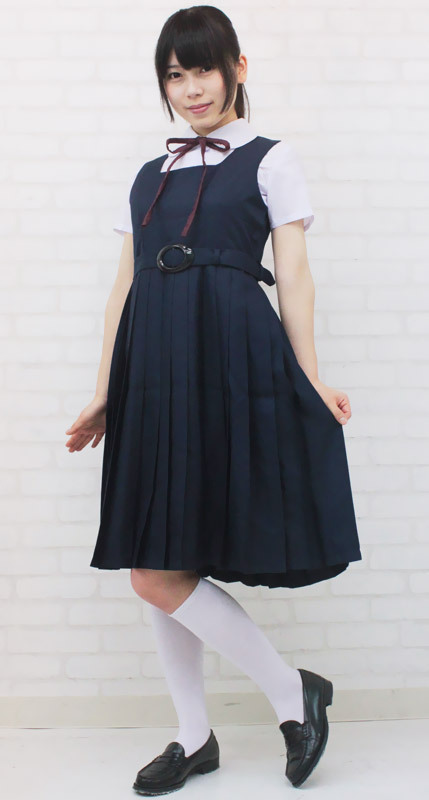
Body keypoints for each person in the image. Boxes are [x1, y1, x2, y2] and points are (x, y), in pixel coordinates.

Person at [65, 5, 362, 795]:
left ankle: (290, 697)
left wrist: (308, 376)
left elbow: (293, 275)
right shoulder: (147, 175)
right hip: (153, 368)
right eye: (175, 73)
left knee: (163, 564)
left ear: (237, 67)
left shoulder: (270, 158)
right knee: (158, 556)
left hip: (229, 358)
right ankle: (196, 736)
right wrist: (104, 391)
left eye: (202, 69)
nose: (191, 88)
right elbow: (123, 288)